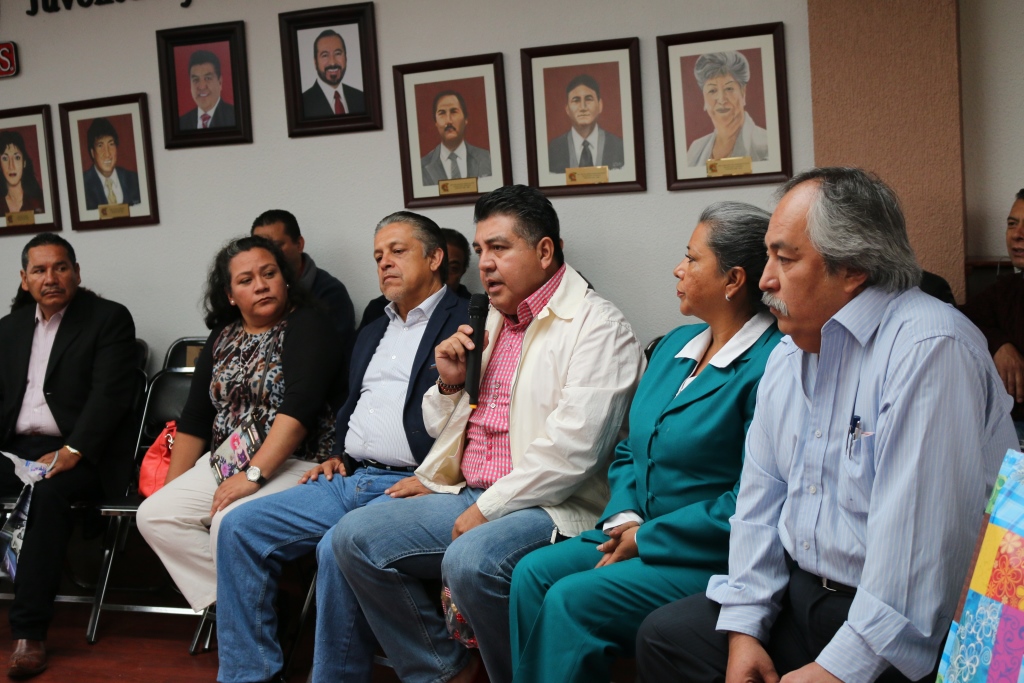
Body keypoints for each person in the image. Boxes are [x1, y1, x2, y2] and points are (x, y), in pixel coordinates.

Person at [635, 167, 1018, 683]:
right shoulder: (789, 351)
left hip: (910, 627)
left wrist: (834, 672)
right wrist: (745, 630)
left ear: (853, 267)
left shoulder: (929, 350)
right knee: (666, 638)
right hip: (807, 593)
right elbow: (759, 507)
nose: (765, 279)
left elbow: (917, 561)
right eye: (768, 256)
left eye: (785, 259)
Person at [329, 184, 643, 683]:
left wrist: (486, 509)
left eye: (499, 247)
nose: (485, 264)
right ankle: (440, 672)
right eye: (480, 250)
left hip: (556, 505)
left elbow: (573, 454)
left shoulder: (598, 326)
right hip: (473, 491)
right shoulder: (494, 319)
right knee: (352, 537)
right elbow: (443, 428)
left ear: (544, 251)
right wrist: (450, 383)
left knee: (472, 560)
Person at [510, 202, 782, 683]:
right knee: (532, 575)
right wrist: (626, 518)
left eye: (692, 258)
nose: (678, 269)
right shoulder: (674, 345)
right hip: (635, 530)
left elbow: (751, 501)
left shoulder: (771, 363)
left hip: (707, 555)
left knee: (571, 600)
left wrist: (645, 538)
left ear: (734, 279)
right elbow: (628, 451)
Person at [214, 212, 470, 683]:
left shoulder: (468, 321)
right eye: (378, 256)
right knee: (238, 526)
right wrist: (340, 454)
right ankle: (248, 675)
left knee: (338, 547)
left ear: (435, 258)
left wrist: (439, 478)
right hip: (353, 475)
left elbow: (477, 417)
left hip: (414, 484)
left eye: (397, 251)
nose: (384, 263)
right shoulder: (374, 328)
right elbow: (354, 404)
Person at [136, 235, 345, 616]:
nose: (261, 285)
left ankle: (249, 617)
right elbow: (196, 418)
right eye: (246, 280)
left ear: (286, 279)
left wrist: (253, 475)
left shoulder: (309, 325)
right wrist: (173, 487)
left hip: (298, 462)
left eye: (269, 274)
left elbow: (299, 410)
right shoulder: (222, 336)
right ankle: (258, 606)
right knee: (155, 514)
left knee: (228, 520)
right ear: (230, 295)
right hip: (228, 461)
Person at [0, 233, 137, 679]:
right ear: (24, 279)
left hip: (83, 452)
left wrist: (73, 449)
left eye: (60, 267)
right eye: (39, 270)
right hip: (16, 449)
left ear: (76, 273)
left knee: (45, 494)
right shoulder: (9, 329)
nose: (51, 278)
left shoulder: (108, 319)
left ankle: (28, 633)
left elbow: (110, 396)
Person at [963, 188, 1024, 437]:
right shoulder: (1007, 289)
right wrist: (999, 344)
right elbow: (960, 321)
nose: (1018, 235)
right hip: (1010, 431)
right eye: (1012, 224)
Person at [250, 209, 355, 342]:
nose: (268, 254)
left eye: (276, 246)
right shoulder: (251, 292)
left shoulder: (330, 292)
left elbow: (333, 348)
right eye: (261, 248)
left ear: (299, 244)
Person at [360, 226, 472, 329]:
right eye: (379, 258)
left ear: (462, 271)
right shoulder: (378, 309)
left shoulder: (472, 311)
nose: (442, 273)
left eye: (452, 268)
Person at [686, 51, 769, 167]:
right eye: (712, 90)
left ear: (743, 92)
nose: (721, 99)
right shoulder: (695, 150)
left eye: (729, 88)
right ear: (704, 98)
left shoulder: (767, 146)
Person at [548, 74, 624, 174]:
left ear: (600, 105)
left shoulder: (619, 147)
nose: (583, 107)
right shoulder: (552, 150)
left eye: (588, 99)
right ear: (567, 109)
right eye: (576, 100)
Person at [421, 90, 492, 186]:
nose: (448, 120)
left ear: (466, 119)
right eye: (442, 113)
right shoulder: (421, 167)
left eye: (454, 111)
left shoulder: (487, 159)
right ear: (436, 122)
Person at [301, 29, 365, 117]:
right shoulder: (303, 104)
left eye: (338, 53)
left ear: (346, 58)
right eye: (325, 55)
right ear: (315, 62)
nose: (332, 62)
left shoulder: (361, 98)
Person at [81, 117, 140, 210]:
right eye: (100, 146)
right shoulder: (82, 185)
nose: (107, 154)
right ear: (92, 152)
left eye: (111, 144)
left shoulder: (134, 179)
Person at [179, 49, 236, 130]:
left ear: (220, 82)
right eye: (196, 80)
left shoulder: (235, 117)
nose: (202, 86)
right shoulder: (181, 123)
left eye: (208, 78)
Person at [1, 130, 45, 215]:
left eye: (17, 158)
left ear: (24, 162)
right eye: (5, 158)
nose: (11, 166)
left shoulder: (39, 203)